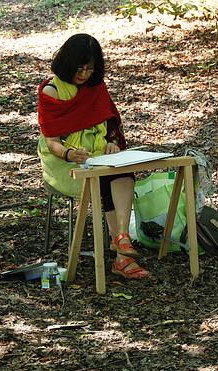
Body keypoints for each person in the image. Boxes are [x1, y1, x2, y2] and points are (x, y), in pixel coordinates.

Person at [38, 33, 149, 279]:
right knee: (108, 179)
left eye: (90, 69)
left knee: (121, 171)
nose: (85, 74)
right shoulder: (52, 90)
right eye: (80, 68)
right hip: (63, 162)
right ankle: (122, 256)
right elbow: (52, 143)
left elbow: (111, 129)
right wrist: (71, 154)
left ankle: (122, 242)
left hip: (97, 158)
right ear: (68, 62)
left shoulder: (96, 88)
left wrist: (111, 144)